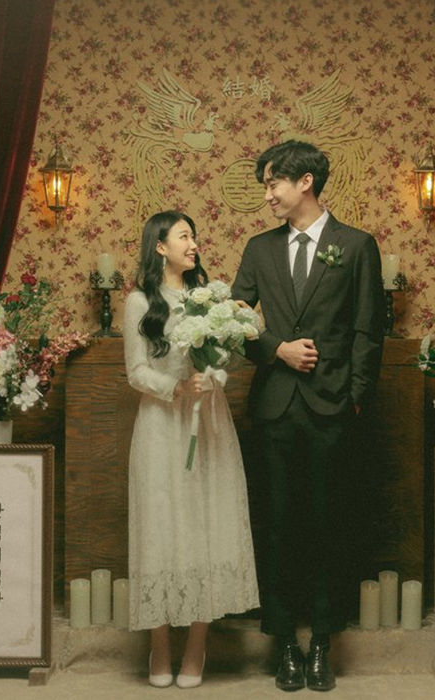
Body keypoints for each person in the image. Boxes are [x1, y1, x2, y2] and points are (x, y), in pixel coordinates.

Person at [232, 140, 385, 692]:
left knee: (328, 525)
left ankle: (322, 641)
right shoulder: (259, 248)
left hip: (332, 407)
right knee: (276, 526)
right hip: (275, 407)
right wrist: (277, 348)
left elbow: (369, 328)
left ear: (305, 183)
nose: (268, 195)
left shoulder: (356, 245)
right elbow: (234, 320)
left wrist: (355, 396)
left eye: (273, 183)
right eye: (266, 185)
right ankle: (284, 646)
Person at [124, 210, 259, 688]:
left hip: (210, 424)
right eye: (184, 236)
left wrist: (211, 376)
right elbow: (136, 371)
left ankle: (196, 647)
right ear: (160, 247)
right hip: (161, 425)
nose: (194, 243)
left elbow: (224, 360)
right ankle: (159, 646)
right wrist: (177, 388)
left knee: (207, 524)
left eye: (195, 235)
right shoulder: (140, 302)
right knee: (161, 527)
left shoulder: (209, 301)